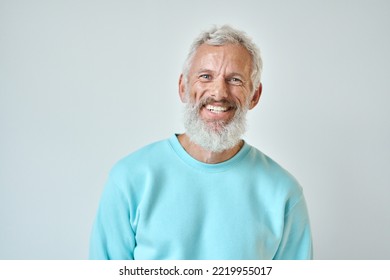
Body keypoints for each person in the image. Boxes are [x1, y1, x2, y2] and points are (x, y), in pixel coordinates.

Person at [89, 25, 313, 260]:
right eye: (205, 76)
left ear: (254, 95)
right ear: (183, 87)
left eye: (235, 79)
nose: (219, 92)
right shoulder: (129, 179)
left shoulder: (284, 194)